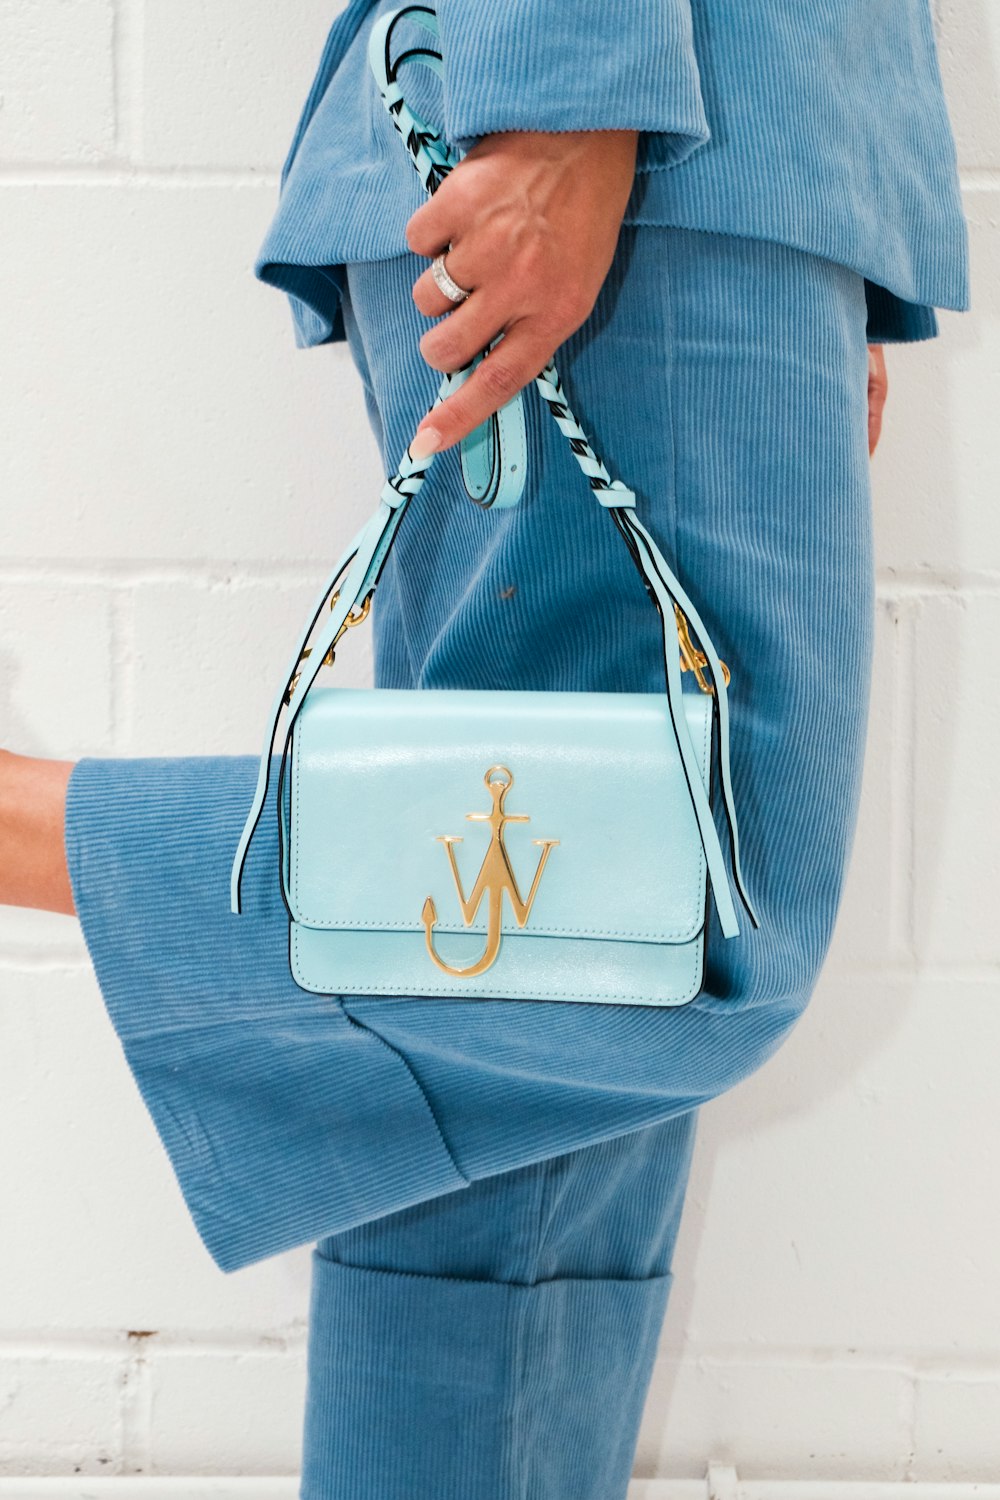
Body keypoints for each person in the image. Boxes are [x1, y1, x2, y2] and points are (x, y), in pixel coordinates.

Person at [2, 1, 968, 1495]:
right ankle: (26, 828)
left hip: (708, 145)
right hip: (629, 125)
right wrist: (571, 91)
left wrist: (827, 232)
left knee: (563, 1022)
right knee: (672, 915)